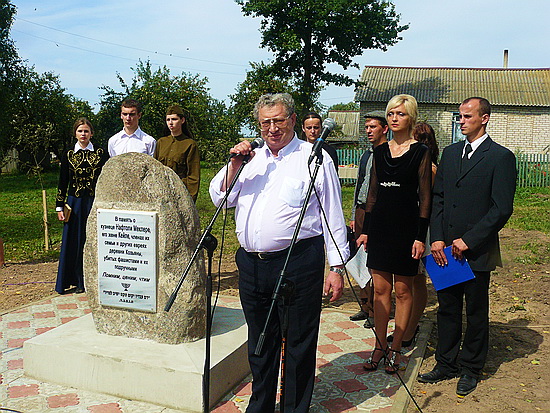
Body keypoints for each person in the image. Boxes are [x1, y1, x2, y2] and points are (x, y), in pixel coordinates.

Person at [210, 93, 349, 413]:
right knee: (260, 342)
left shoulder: (313, 157)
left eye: (278, 121)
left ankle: (294, 408)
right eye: (265, 123)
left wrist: (337, 266)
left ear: (293, 121)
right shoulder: (249, 158)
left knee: (299, 343)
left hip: (299, 261)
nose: (272, 128)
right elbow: (219, 198)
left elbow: (333, 214)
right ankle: (261, 405)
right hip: (252, 264)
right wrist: (234, 162)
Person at [418, 97, 516, 397]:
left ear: (484, 118)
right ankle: (446, 363)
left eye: (467, 116)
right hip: (445, 250)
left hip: (476, 251)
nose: (461, 121)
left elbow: (501, 209)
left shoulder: (500, 157)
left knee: (475, 311)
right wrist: (437, 238)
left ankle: (471, 368)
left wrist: (469, 240)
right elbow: (439, 198)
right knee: (447, 308)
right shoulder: (449, 154)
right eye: (459, 116)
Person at [356, 94, 432, 374]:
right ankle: (378, 345)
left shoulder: (421, 152)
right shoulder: (379, 151)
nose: (394, 118)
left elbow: (425, 197)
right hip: (381, 228)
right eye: (390, 114)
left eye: (399, 113)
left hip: (407, 228)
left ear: (410, 117)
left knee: (403, 290)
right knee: (380, 290)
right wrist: (366, 231)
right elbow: (373, 193)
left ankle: (397, 347)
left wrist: (419, 237)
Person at [388, 122, 439, 347]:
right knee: (413, 280)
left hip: (422, 229)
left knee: (418, 280)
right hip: (408, 226)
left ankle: (410, 328)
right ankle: (407, 327)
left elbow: (426, 201)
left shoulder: (429, 167)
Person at [55, 118, 109, 294]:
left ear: (91, 133)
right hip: (75, 203)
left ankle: (95, 279)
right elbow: (63, 180)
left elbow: (106, 178)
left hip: (95, 202)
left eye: (86, 131)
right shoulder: (68, 153)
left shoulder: (101, 153)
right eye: (80, 131)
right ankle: (76, 280)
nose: (83, 134)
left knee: (94, 240)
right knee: (75, 241)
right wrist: (59, 206)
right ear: (75, 134)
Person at [349, 111, 388, 328]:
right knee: (360, 259)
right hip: (362, 211)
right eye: (366, 127)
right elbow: (359, 184)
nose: (368, 131)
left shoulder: (388, 153)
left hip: (379, 213)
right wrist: (354, 213)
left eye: (373, 127)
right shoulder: (366, 155)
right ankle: (364, 305)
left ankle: (376, 310)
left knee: (374, 261)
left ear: (384, 129)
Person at [154, 104, 200, 202]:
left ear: (182, 120)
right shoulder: (161, 142)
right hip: (161, 192)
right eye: (168, 120)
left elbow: (193, 176)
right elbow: (154, 169)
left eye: (174, 119)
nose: (170, 123)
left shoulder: (190, 144)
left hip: (180, 193)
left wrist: (190, 200)